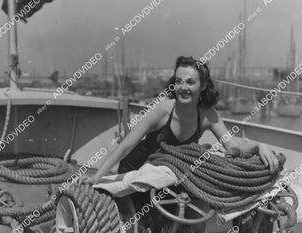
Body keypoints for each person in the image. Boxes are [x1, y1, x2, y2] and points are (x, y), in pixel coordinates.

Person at [89, 56, 278, 184]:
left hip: (173, 173)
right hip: (138, 169)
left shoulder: (207, 115)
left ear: (203, 85)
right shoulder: (162, 110)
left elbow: (234, 148)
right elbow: (125, 146)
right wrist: (97, 178)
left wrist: (259, 146)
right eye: (178, 81)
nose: (183, 87)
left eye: (190, 82)